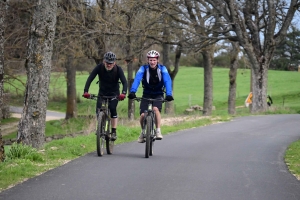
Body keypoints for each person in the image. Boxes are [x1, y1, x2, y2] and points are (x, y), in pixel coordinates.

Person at [128, 50, 174, 143]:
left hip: (158, 94)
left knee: (155, 109)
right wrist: (133, 91)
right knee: (142, 115)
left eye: (154, 60)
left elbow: (167, 81)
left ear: (157, 60)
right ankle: (143, 132)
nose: (152, 62)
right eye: (150, 60)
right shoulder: (143, 69)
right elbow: (137, 79)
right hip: (147, 94)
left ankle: (158, 130)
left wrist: (168, 94)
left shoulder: (163, 69)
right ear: (148, 60)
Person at [83, 51, 128, 141]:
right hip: (102, 93)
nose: (109, 65)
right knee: (98, 109)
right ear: (104, 61)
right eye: (107, 63)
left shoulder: (118, 70)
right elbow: (90, 78)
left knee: (112, 108)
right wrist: (86, 91)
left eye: (111, 63)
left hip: (114, 93)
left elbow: (124, 82)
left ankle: (114, 131)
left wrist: (123, 93)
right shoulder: (99, 68)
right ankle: (100, 126)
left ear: (114, 63)